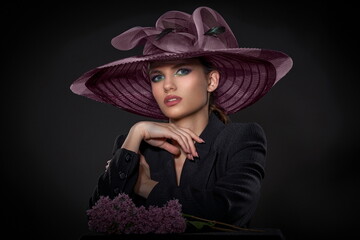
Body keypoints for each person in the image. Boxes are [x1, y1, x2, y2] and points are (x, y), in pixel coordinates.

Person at [70, 6, 293, 228]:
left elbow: (228, 210)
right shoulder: (134, 146)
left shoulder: (241, 138)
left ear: (212, 81)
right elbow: (99, 218)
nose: (168, 85)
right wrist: (136, 133)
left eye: (182, 71)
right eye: (157, 77)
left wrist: (147, 187)